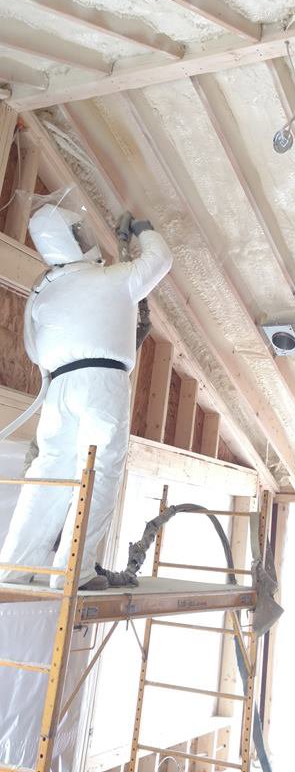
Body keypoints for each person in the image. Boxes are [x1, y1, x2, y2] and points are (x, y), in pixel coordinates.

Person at [0, 185, 172, 591]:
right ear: (76, 240)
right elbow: (160, 259)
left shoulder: (45, 295)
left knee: (50, 474)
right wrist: (145, 229)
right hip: (102, 383)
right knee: (98, 471)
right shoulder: (112, 280)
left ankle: (14, 570)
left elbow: (34, 348)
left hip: (59, 389)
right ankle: (72, 574)